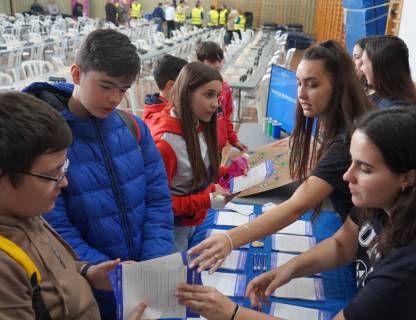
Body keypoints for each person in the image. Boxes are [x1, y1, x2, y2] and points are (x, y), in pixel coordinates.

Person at [176, 106, 416, 320]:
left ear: (407, 176)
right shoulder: (391, 199)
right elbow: (344, 242)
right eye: (351, 162)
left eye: (365, 168)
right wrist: (290, 269)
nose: (347, 177)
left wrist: (231, 314)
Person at [23, 29, 174, 319]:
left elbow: (158, 199)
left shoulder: (132, 127)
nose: (115, 98)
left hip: (140, 282)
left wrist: (150, 265)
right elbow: (53, 228)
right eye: (105, 86)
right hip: (86, 290)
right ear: (77, 74)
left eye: (124, 88)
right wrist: (105, 274)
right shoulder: (44, 143)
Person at [188, 40, 372, 273]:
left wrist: (231, 239)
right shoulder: (343, 125)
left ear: (338, 87)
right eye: (298, 84)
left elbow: (296, 207)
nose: (301, 94)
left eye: (312, 85)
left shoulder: (346, 142)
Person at [0, 92, 147, 320]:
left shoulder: (26, 210)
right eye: (50, 175)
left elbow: (51, 271)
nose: (64, 182)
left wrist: (88, 272)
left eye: (64, 168)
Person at [144, 62, 247, 252]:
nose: (216, 104)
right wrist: (206, 201)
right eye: (208, 95)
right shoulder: (165, 144)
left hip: (193, 219)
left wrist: (226, 172)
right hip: (172, 229)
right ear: (185, 92)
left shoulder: (197, 124)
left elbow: (193, 172)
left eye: (218, 96)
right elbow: (159, 204)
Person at [196, 41, 248, 152]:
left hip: (218, 148)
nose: (217, 65)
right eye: (212, 61)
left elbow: (226, 118)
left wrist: (234, 140)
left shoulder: (225, 88)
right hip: (201, 149)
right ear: (200, 62)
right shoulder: (194, 91)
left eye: (219, 60)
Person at [361, 35, 416, 108]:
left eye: (364, 63)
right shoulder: (386, 98)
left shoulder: (394, 109)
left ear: (379, 68)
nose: (361, 68)